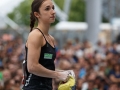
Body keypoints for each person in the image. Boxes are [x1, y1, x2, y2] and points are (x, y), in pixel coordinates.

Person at [22, 0, 69, 90]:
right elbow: (32, 67)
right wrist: (58, 74)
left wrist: (64, 73)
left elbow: (45, 67)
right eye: (47, 9)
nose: (53, 11)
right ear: (37, 14)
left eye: (53, 8)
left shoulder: (51, 38)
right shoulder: (36, 35)